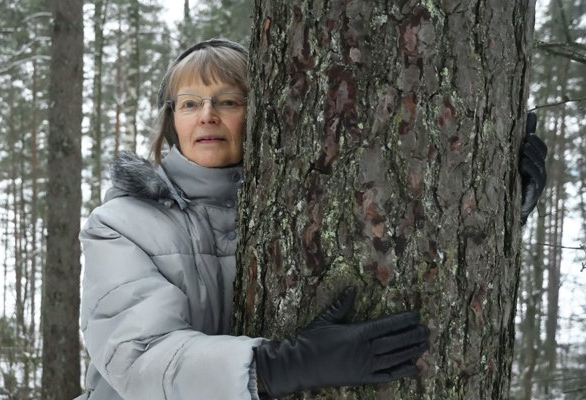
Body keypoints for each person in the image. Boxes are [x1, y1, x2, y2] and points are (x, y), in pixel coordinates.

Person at [77, 39, 547, 400]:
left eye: (229, 101)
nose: (207, 116)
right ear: (172, 122)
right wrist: (285, 365)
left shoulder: (291, 208)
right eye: (189, 103)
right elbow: (137, 357)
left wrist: (493, 215)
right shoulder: (121, 223)